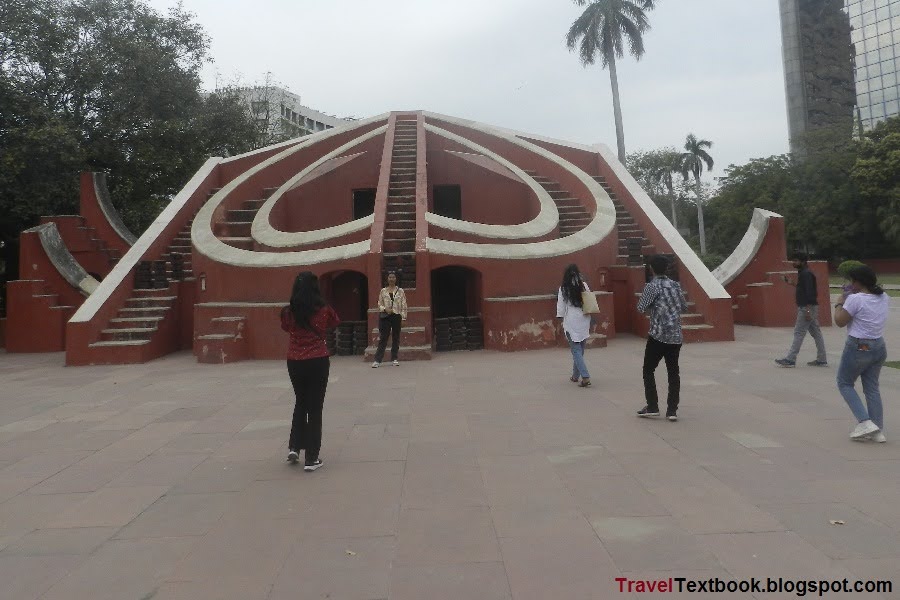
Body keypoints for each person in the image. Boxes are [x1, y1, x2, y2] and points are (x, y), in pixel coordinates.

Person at [280, 271, 340, 471]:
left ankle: (295, 446)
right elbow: (334, 322)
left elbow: (286, 328)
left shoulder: (288, 312)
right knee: (315, 409)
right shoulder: (323, 309)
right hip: (317, 360)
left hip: (295, 361)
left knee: (301, 402)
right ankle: (312, 458)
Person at [834, 265, 890, 442]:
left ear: (858, 282)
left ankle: (865, 422)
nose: (850, 284)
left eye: (852, 281)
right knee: (872, 387)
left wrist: (839, 303)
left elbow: (840, 321)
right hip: (879, 345)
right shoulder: (883, 297)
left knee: (844, 383)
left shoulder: (855, 299)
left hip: (859, 345)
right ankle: (877, 430)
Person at [636, 255, 688, 421]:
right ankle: (672, 410)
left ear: (651, 268)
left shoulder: (652, 286)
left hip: (658, 335)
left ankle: (652, 406)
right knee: (673, 373)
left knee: (648, 370)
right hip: (675, 336)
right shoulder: (675, 285)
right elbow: (684, 307)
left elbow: (640, 307)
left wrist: (653, 308)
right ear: (667, 269)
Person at [775, 253, 827, 367]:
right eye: (793, 260)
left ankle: (790, 359)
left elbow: (810, 293)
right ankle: (822, 359)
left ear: (803, 262)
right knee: (816, 333)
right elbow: (802, 288)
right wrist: (791, 283)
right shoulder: (803, 273)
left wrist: (808, 310)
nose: (793, 263)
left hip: (806, 307)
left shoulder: (806, 274)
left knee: (799, 333)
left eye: (796, 261)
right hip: (809, 307)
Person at [556, 264, 592, 387]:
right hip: (584, 318)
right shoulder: (584, 285)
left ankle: (585, 376)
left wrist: (560, 319)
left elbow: (561, 307)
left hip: (571, 320)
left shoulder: (563, 288)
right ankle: (575, 376)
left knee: (576, 350)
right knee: (580, 349)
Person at [372, 270, 408, 368]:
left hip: (396, 316)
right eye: (390, 277)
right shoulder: (383, 291)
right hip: (386, 316)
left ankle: (394, 358)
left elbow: (404, 305)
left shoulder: (401, 291)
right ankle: (377, 360)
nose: (391, 279)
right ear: (387, 279)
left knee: (396, 337)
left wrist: (404, 318)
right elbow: (379, 304)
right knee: (383, 338)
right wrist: (385, 309)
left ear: (396, 279)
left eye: (393, 277)